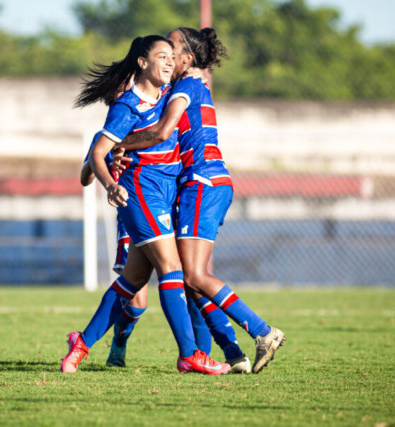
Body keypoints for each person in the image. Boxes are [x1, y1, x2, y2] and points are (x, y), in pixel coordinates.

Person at [116, 27, 285, 373]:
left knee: (191, 275)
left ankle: (262, 331)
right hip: (206, 183)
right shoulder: (191, 86)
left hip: (201, 182)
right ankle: (233, 354)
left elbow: (162, 132)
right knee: (189, 276)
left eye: (172, 48)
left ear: (188, 58)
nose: (165, 51)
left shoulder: (186, 87)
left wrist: (119, 143)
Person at [61, 35, 230, 375]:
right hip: (141, 192)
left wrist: (199, 73)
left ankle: (82, 342)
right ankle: (189, 355)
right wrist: (109, 181)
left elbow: (188, 92)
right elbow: (96, 154)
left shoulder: (170, 95)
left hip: (166, 194)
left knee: (131, 282)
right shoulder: (126, 106)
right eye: (162, 56)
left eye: (173, 56)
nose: (170, 62)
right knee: (172, 269)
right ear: (142, 63)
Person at [80, 132, 250, 372]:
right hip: (134, 217)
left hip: (170, 212)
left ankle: (226, 351)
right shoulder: (107, 134)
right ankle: (119, 340)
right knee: (137, 301)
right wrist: (96, 164)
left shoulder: (159, 127)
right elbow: (84, 178)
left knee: (191, 281)